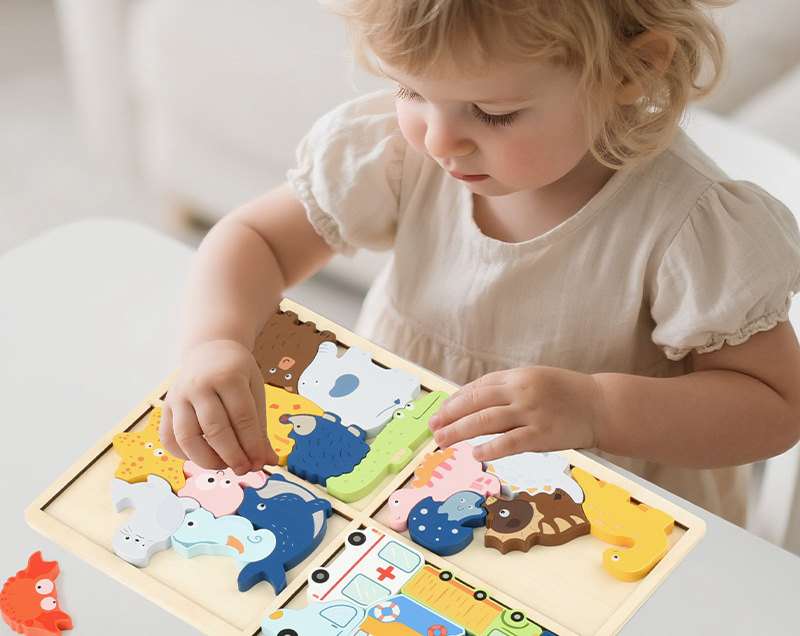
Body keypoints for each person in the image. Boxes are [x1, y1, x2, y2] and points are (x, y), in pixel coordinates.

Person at [160, 0, 800, 527]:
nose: (439, 140)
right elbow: (256, 238)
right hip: (407, 475)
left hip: (597, 519)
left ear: (629, 70)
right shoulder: (398, 152)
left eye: (493, 114)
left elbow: (774, 406)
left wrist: (599, 409)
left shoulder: (688, 226)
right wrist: (216, 342)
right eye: (410, 90)